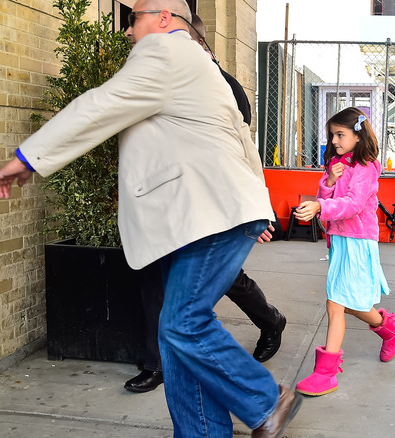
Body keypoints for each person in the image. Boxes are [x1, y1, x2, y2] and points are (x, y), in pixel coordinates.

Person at [0, 2, 302, 436]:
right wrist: (259, 205)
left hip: (208, 215)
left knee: (181, 323)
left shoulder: (164, 51)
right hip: (207, 214)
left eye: (131, 18)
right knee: (177, 342)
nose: (125, 30)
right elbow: (241, 139)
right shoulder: (199, 63)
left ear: (163, 19)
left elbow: (101, 104)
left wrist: (29, 156)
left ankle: (266, 400)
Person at [122, 13, 287, 394]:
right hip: (161, 207)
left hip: (206, 209)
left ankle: (269, 325)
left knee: (219, 287)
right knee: (155, 284)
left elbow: (240, 153)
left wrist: (254, 212)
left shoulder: (222, 87)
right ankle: (157, 362)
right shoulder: (149, 76)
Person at [292, 107, 395, 396]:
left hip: (357, 241)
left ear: (359, 135)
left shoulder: (367, 167)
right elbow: (326, 201)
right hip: (340, 241)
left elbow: (354, 205)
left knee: (337, 303)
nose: (334, 140)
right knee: (348, 302)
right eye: (332, 135)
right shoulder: (337, 164)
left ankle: (326, 373)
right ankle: (390, 328)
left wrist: (321, 206)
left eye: (340, 134)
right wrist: (329, 182)